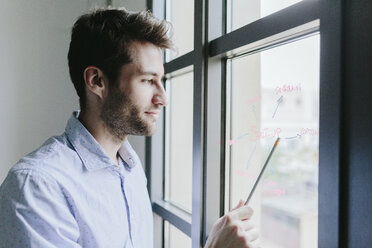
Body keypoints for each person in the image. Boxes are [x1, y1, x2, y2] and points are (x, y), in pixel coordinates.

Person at [0, 8, 259, 248]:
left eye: (161, 80)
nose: (163, 98)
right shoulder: (37, 185)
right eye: (147, 80)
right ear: (97, 81)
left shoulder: (130, 168)